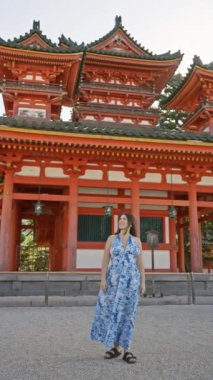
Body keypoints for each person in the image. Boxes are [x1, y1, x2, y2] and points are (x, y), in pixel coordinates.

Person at [90, 213, 146, 364]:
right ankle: (116, 348)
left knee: (128, 315)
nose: (120, 221)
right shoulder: (111, 239)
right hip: (113, 282)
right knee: (112, 312)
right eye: (120, 219)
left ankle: (127, 350)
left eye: (124, 219)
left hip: (131, 283)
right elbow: (105, 261)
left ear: (130, 223)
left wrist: (143, 282)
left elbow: (140, 263)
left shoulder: (137, 241)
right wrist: (102, 279)